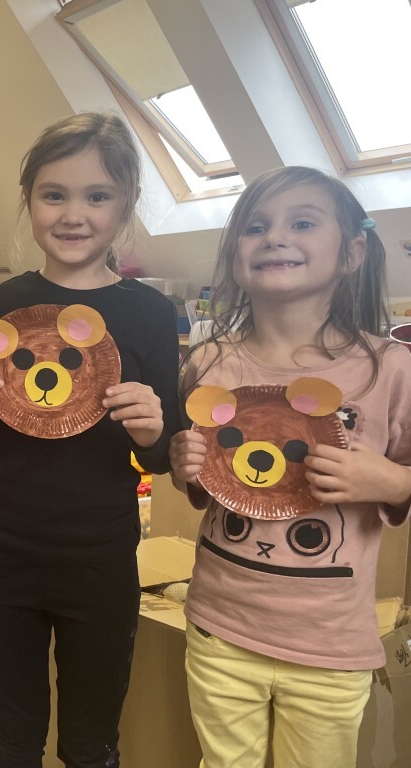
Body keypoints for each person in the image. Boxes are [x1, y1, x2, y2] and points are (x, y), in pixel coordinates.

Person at [0, 113, 181, 767]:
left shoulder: (150, 312)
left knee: (90, 739)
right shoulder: (2, 302)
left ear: (126, 205)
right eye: (54, 194)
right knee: (14, 732)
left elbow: (163, 453)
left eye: (97, 196)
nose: (74, 214)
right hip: (7, 553)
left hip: (100, 559)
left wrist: (153, 429)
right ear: (29, 201)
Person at [169, 166, 411, 768]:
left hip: (330, 644)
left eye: (302, 223)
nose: (275, 237)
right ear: (235, 256)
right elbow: (203, 483)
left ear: (352, 252)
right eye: (256, 227)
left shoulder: (392, 369)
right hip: (220, 628)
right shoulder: (208, 362)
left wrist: (391, 480)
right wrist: (183, 465)